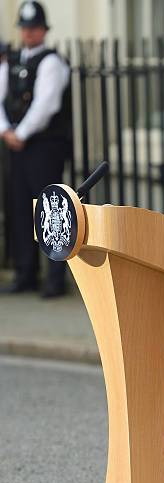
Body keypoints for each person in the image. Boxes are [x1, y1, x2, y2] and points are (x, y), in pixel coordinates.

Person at [0, 1, 71, 297]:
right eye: (25, 28)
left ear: (43, 29)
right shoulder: (12, 61)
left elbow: (46, 105)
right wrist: (5, 130)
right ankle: (25, 272)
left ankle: (54, 278)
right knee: (18, 208)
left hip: (44, 146)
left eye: (34, 28)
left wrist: (21, 132)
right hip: (16, 145)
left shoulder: (53, 62)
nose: (29, 33)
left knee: (51, 210)